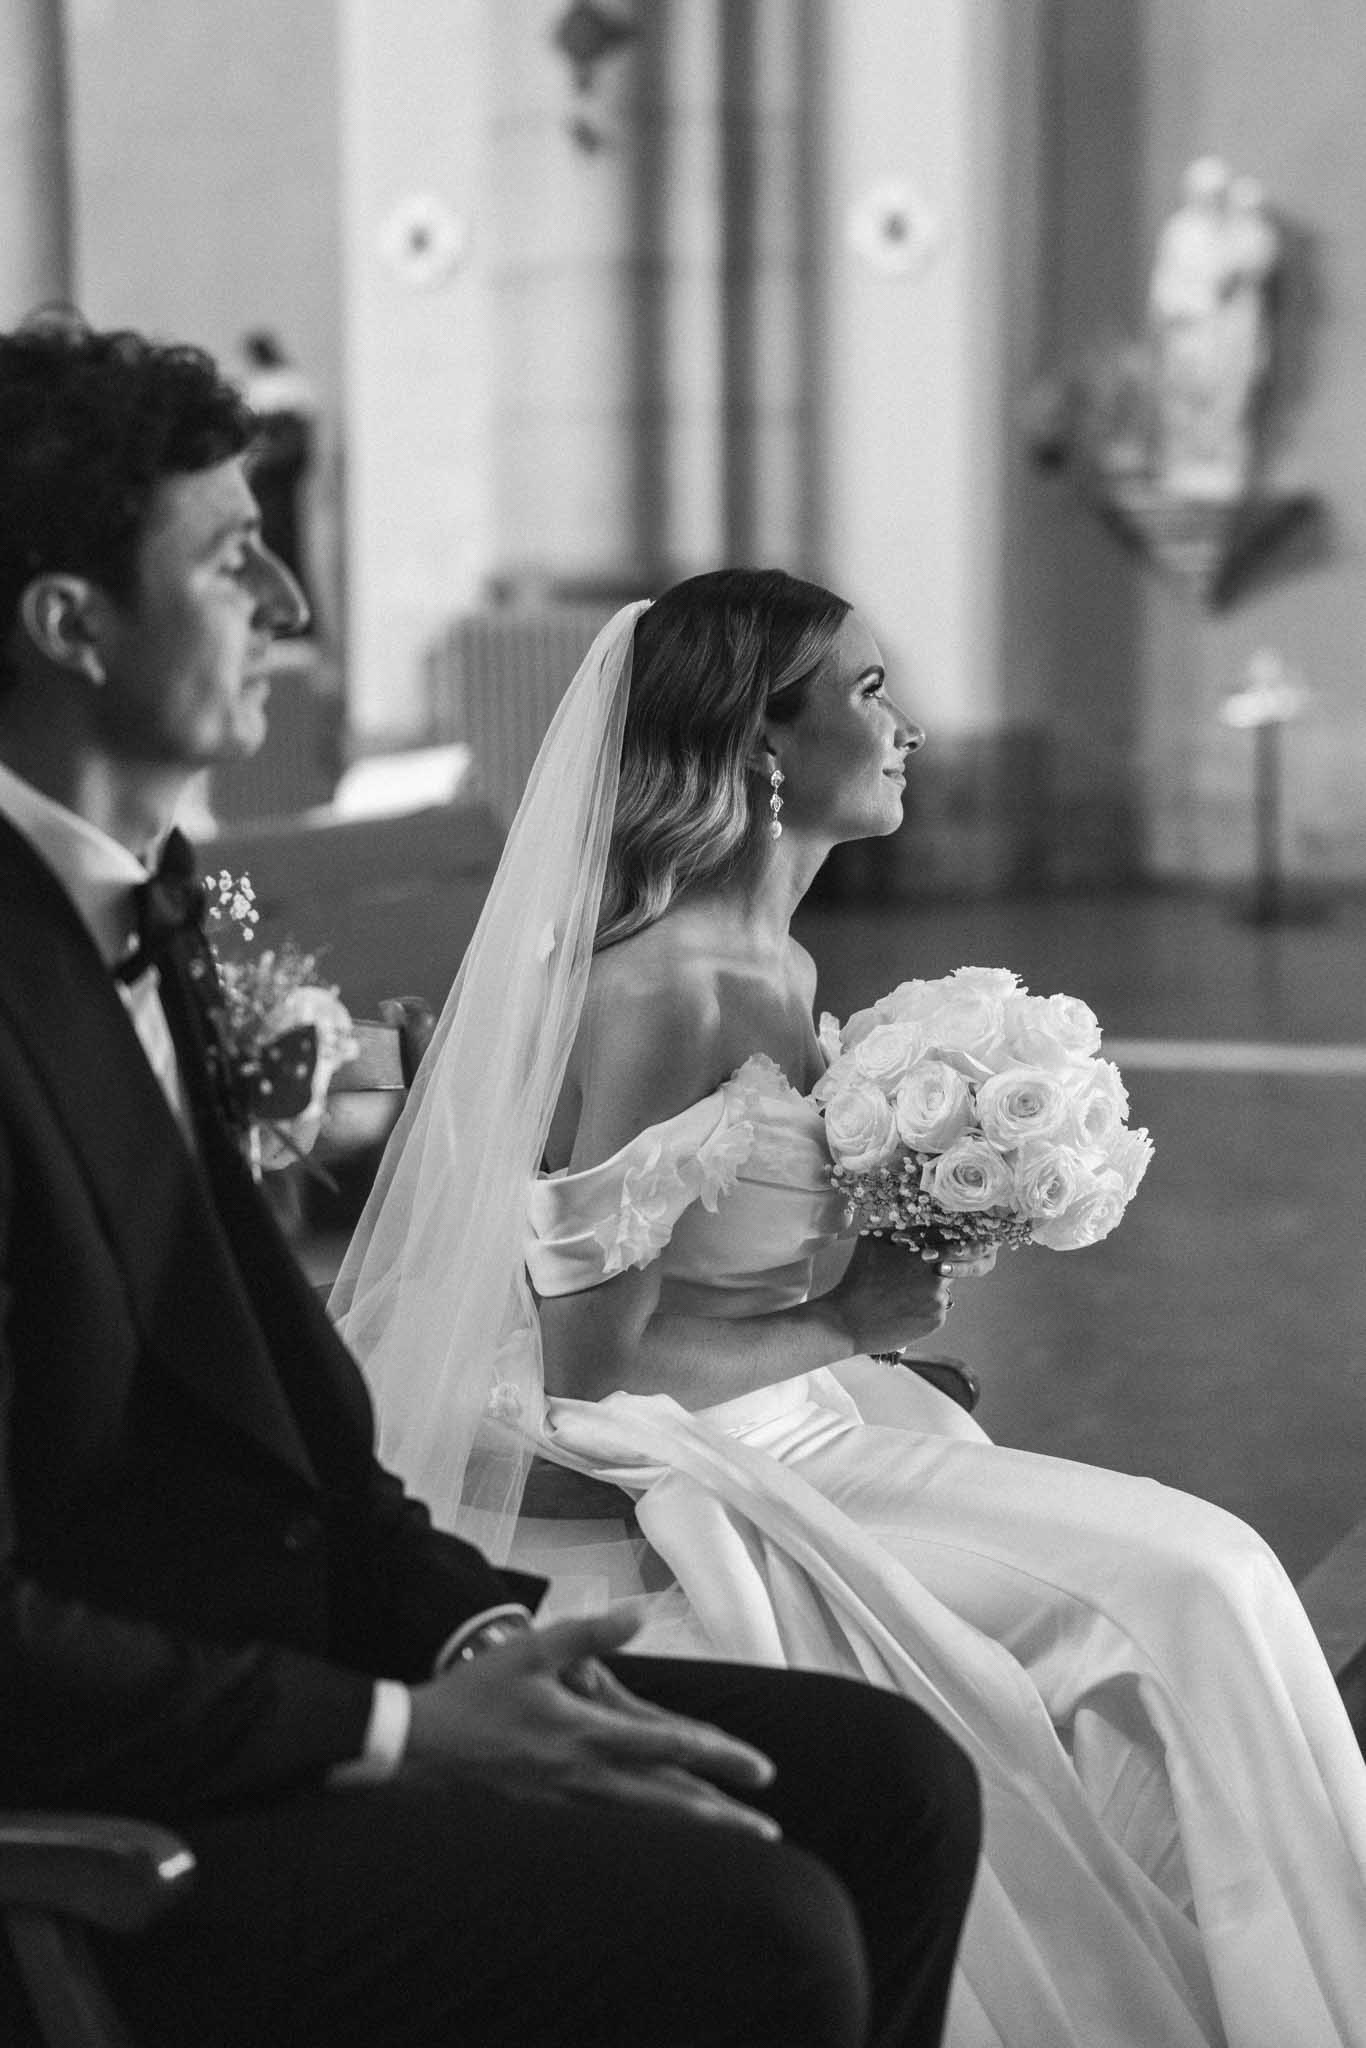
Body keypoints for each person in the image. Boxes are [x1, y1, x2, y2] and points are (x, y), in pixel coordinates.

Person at [0, 324, 983, 2048]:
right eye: (231, 560)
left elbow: (296, 1421)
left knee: (895, 1782)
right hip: (141, 1778)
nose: (291, 604)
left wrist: (467, 1642)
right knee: (766, 1922)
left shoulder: (142, 916)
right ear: (71, 625)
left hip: (308, 1654)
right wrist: (392, 1730)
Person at [335, 570, 1366, 2048]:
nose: (909, 728)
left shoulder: (781, 959)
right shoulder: (669, 989)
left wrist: (925, 1219)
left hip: (799, 1407)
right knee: (1198, 1583)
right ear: (761, 742)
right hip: (691, 1454)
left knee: (1214, 1578)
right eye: (870, 693)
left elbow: (724, 1259)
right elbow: (587, 1370)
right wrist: (851, 1321)